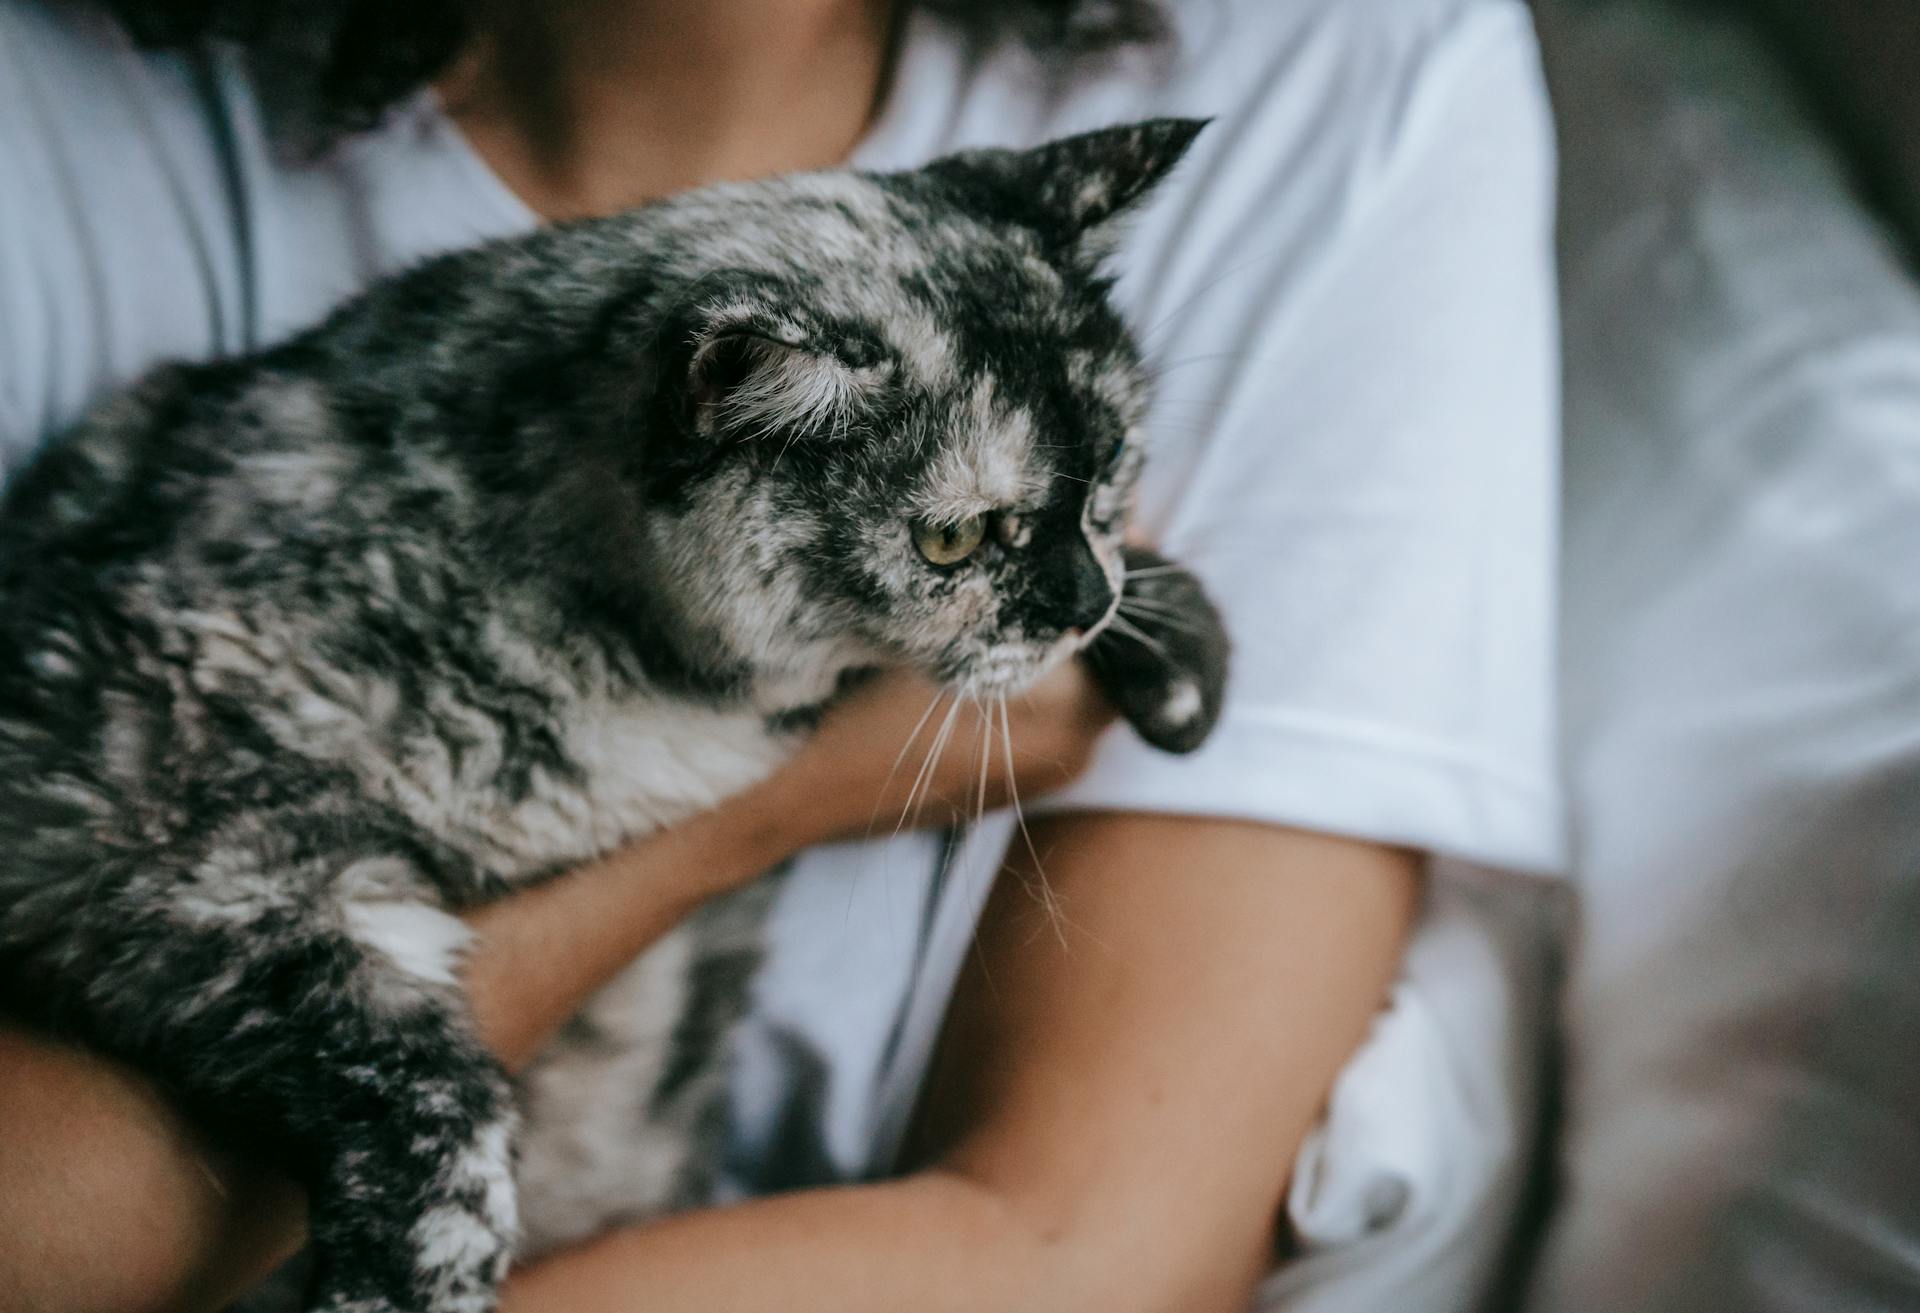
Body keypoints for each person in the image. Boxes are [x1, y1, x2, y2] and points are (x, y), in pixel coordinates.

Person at [0, 0, 1564, 1309]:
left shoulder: (1337, 59)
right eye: (964, 540)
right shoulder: (63, 127)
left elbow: (1096, 1250)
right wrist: (788, 794)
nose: (1088, 604)